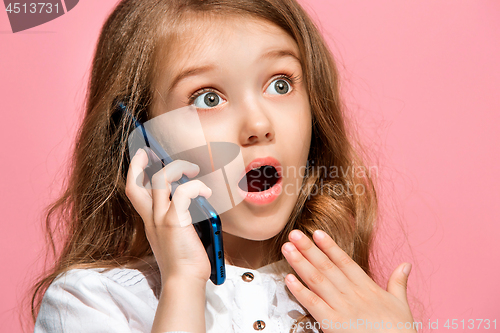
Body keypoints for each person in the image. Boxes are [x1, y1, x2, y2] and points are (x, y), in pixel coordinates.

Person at [31, 0, 417, 332]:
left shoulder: (349, 304)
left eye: (280, 84)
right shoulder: (91, 302)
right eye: (208, 98)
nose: (259, 125)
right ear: (138, 139)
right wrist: (182, 282)